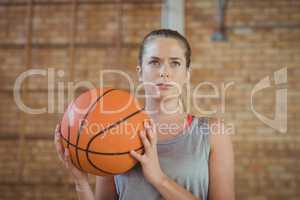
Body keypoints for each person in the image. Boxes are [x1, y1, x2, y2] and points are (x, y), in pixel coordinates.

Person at [54, 29, 235, 200]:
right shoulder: (109, 128)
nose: (164, 72)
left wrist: (158, 178)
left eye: (175, 63)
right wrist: (81, 183)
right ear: (140, 72)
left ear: (187, 74)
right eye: (154, 62)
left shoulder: (213, 133)